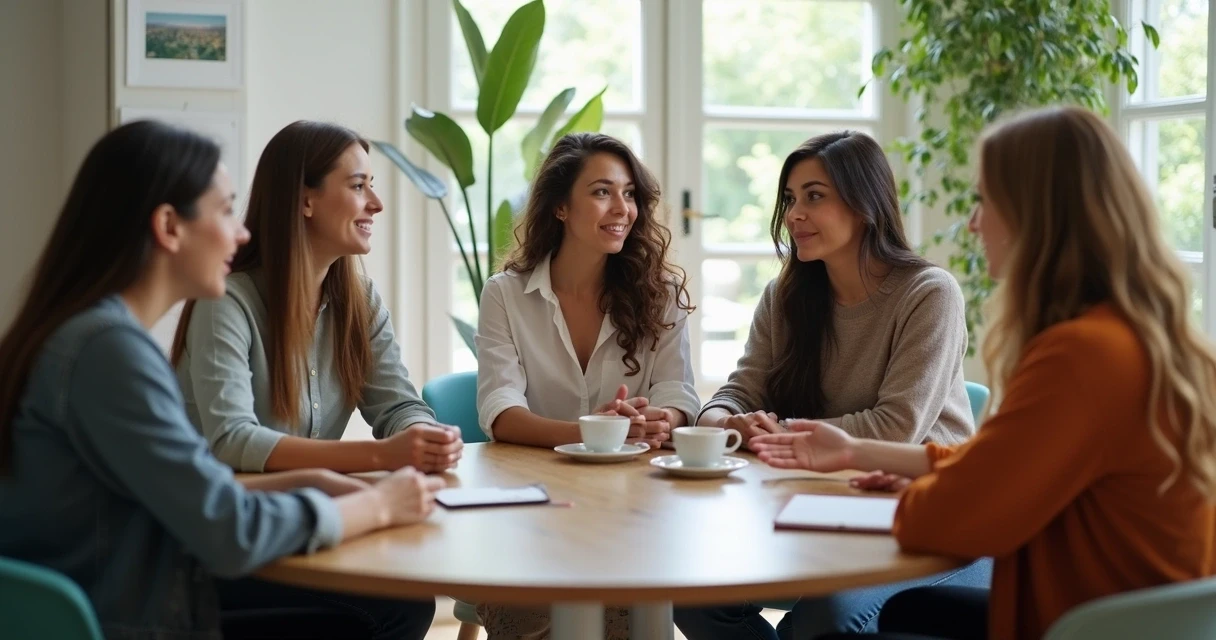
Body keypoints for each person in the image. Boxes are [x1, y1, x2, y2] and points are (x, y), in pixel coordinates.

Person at [753, 106, 1216, 640]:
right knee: (903, 614)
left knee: (828, 631)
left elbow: (958, 517)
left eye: (984, 201)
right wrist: (868, 455)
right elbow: (1003, 462)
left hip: (1083, 624)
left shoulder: (1079, 355)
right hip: (1127, 615)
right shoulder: (1130, 336)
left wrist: (909, 492)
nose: (973, 223)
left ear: (1036, 215)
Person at [0, 120, 443, 640]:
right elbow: (228, 530)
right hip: (133, 617)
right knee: (390, 608)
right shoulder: (110, 352)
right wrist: (378, 504)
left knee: (393, 605)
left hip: (130, 595)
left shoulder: (90, 335)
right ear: (169, 226)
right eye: (226, 210)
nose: (242, 233)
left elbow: (192, 489)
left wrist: (309, 481)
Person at [675, 131, 985, 639]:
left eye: (814, 196)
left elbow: (896, 428)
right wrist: (726, 423)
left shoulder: (929, 294)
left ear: (865, 205)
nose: (794, 215)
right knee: (693, 596)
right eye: (790, 199)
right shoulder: (783, 296)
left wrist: (779, 434)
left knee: (824, 621)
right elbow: (736, 392)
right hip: (812, 506)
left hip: (924, 523)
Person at [474, 132, 700, 639]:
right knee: (532, 619)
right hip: (532, 507)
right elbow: (500, 411)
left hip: (637, 508)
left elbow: (678, 394)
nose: (622, 208)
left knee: (635, 618)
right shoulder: (505, 295)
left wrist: (661, 420)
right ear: (560, 207)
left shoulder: (660, 293)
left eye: (629, 193)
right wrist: (592, 432)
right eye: (602, 192)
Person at [172, 120, 463, 474]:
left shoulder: (361, 301)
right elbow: (233, 439)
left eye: (371, 186)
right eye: (358, 186)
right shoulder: (225, 303)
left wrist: (425, 437)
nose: (376, 204)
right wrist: (381, 455)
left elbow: (399, 407)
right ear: (306, 200)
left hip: (313, 498)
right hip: (223, 504)